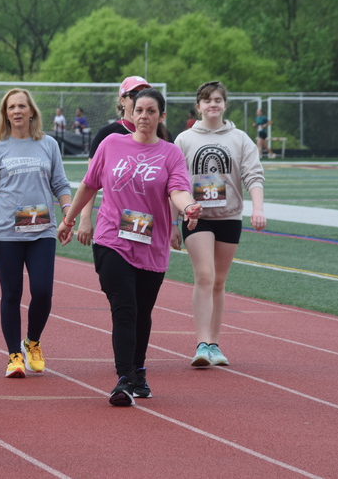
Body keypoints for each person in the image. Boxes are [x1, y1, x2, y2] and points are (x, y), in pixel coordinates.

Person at [58, 88, 202, 406]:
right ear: (130, 114)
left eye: (151, 111)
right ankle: (123, 379)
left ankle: (138, 370)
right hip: (112, 240)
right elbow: (89, 184)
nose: (144, 117)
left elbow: (178, 190)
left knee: (142, 313)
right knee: (125, 309)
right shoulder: (111, 145)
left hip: (152, 245)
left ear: (161, 117)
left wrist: (189, 207)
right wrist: (69, 220)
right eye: (139, 110)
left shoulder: (170, 154)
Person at [0, 89, 72, 378]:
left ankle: (33, 341)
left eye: (21, 106)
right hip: (5, 233)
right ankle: (14, 354)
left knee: (42, 291)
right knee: (12, 293)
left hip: (42, 231)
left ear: (31, 112)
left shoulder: (48, 144)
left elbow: (61, 184)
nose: (16, 111)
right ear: (5, 113)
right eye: (11, 107)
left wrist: (68, 212)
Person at [174, 81, 266, 367]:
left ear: (225, 105)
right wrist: (171, 223)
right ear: (198, 106)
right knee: (204, 274)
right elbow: (174, 184)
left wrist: (258, 209)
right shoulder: (184, 140)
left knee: (219, 281)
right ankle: (201, 344)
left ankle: (214, 344)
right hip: (196, 218)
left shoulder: (240, 139)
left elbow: (253, 175)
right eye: (207, 100)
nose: (212, 104)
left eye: (217, 100)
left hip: (229, 216)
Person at [76, 76, 152, 247]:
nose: (140, 98)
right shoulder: (107, 134)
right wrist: (85, 218)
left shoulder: (161, 136)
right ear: (122, 101)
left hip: (149, 226)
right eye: (134, 94)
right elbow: (90, 183)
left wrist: (173, 224)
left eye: (145, 93)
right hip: (113, 226)